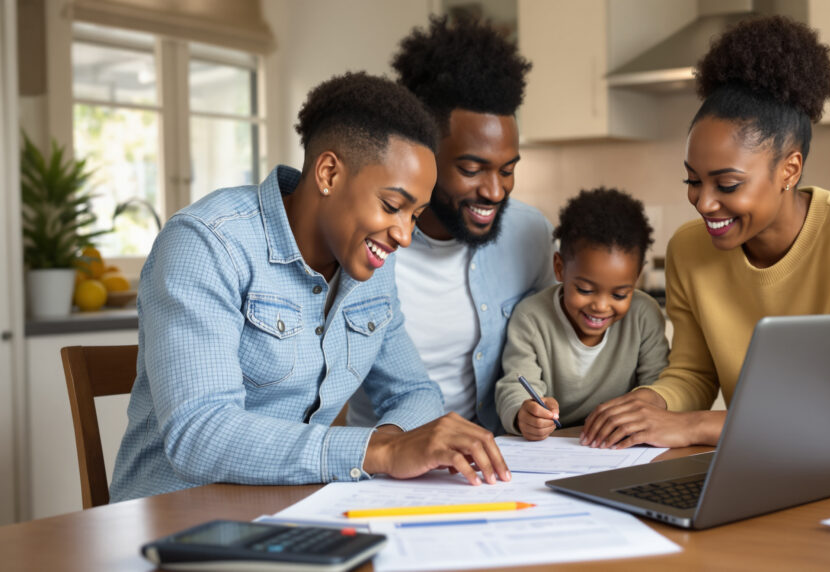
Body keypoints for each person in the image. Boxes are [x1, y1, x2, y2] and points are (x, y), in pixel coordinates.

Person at [110, 72, 510, 502]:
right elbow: (200, 433)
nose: (405, 236)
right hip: (174, 520)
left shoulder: (371, 266)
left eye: (415, 215)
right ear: (329, 173)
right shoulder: (207, 242)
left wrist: (396, 443)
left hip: (296, 513)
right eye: (392, 206)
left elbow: (415, 392)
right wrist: (380, 450)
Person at [581, 16, 830, 453]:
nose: (704, 203)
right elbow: (693, 374)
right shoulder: (689, 250)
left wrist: (702, 427)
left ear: (789, 170)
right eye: (692, 181)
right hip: (778, 455)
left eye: (726, 185)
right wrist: (646, 405)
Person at [345, 16, 555, 433]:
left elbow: (550, 345)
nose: (495, 191)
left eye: (508, 169)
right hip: (388, 463)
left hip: (503, 459)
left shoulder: (529, 235)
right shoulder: (365, 248)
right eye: (472, 168)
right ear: (423, 154)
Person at [495, 188, 670, 440]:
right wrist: (525, 413)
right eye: (585, 289)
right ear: (559, 268)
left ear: (637, 278)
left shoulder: (645, 315)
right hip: (555, 444)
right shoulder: (531, 318)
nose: (600, 306)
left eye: (619, 294)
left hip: (621, 443)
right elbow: (515, 385)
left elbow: (661, 387)